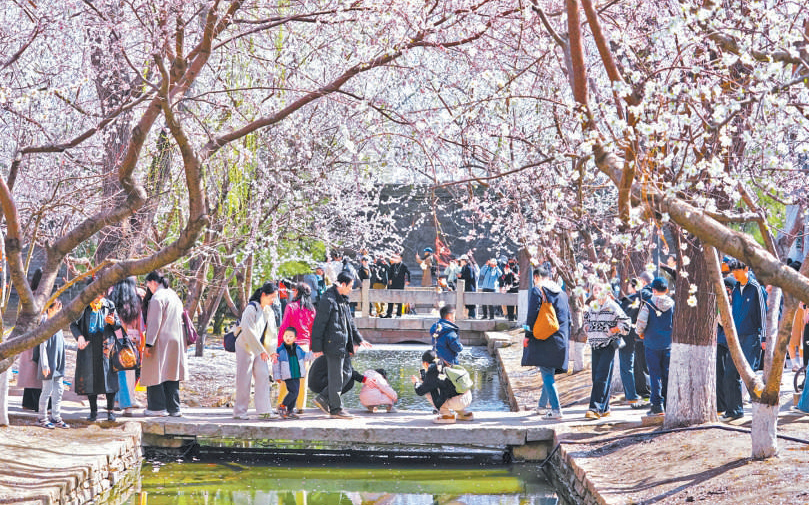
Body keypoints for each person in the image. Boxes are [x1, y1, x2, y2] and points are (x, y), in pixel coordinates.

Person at [311, 271, 372, 419]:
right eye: (350, 286)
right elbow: (319, 324)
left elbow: (350, 323)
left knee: (347, 373)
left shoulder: (343, 299)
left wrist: (359, 339)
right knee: (337, 377)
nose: (351, 289)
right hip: (333, 344)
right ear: (342, 284)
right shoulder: (328, 299)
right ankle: (336, 409)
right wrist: (317, 347)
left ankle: (323, 398)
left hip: (343, 343)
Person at [522, 266, 571, 420]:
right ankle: (542, 406)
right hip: (561, 339)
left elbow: (531, 315)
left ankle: (556, 409)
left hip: (545, 339)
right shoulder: (562, 293)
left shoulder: (538, 291)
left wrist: (527, 334)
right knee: (548, 372)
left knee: (547, 374)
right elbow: (568, 319)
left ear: (536, 277)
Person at [722, 260, 767, 421]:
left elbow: (764, 313)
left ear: (746, 269)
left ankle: (763, 410)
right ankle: (734, 411)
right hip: (736, 339)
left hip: (752, 337)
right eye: (733, 271)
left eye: (737, 270)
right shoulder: (734, 289)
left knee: (749, 377)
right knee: (729, 375)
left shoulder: (755, 288)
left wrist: (764, 337)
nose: (734, 273)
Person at [71, 283, 122, 422]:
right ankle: (93, 411)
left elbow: (118, 324)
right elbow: (73, 324)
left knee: (109, 380)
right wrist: (79, 337)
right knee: (90, 380)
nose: (99, 297)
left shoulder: (109, 305)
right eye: (96, 294)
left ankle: (110, 411)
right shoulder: (83, 307)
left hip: (106, 347)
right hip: (89, 347)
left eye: (101, 294)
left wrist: (113, 322)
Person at [142, 271, 188, 418]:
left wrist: (148, 344)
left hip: (160, 339)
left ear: (153, 282)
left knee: (155, 372)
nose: (148, 288)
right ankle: (174, 408)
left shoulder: (157, 298)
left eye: (148, 284)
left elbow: (154, 323)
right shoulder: (174, 295)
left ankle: (157, 407)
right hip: (176, 339)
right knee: (172, 374)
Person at [583, 283, 630, 419]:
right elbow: (586, 320)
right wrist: (587, 328)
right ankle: (605, 408)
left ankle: (595, 408)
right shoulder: (592, 306)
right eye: (594, 289)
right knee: (597, 377)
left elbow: (626, 323)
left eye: (600, 289)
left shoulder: (612, 306)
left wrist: (612, 330)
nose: (597, 291)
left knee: (601, 376)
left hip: (608, 344)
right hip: (594, 345)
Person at [233, 281, 278, 420]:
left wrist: (271, 351)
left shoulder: (269, 311)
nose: (273, 300)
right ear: (263, 295)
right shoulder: (251, 308)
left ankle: (264, 411)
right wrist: (260, 350)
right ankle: (240, 412)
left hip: (260, 348)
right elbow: (248, 331)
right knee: (244, 379)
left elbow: (272, 333)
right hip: (245, 346)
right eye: (272, 297)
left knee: (263, 375)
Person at [636, 277, 675, 416]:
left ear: (653, 290)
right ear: (666, 290)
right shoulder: (672, 304)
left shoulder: (649, 304)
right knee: (667, 375)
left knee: (654, 375)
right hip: (668, 345)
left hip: (652, 344)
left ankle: (657, 405)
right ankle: (668, 403)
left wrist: (640, 333)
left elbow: (641, 323)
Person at [276, 283, 316, 414]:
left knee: (286, 377)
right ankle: (300, 407)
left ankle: (282, 403)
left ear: (297, 292)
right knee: (303, 378)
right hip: (304, 346)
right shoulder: (311, 310)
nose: (292, 292)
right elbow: (312, 331)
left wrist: (279, 345)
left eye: (294, 290)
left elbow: (284, 327)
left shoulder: (291, 306)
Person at [108, 277, 143, 417]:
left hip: (117, 338)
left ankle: (122, 403)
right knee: (130, 371)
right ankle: (126, 401)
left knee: (117, 371)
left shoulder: (112, 298)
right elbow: (140, 323)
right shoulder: (136, 299)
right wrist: (140, 339)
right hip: (132, 340)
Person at [411, 349, 473, 424]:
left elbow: (420, 391)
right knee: (449, 390)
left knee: (429, 393)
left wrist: (416, 382)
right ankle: (464, 414)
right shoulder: (445, 364)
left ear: (425, 363)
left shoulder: (433, 370)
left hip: (457, 402)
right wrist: (425, 380)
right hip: (467, 397)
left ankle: (447, 416)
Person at [36, 300, 69, 429]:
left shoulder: (58, 324)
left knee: (58, 391)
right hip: (48, 366)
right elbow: (42, 346)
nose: (59, 311)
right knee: (47, 391)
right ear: (50, 309)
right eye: (57, 308)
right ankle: (42, 418)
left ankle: (56, 417)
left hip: (59, 365)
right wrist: (44, 365)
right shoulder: (45, 324)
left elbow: (63, 343)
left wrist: (78, 347)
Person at [273, 327, 315, 419]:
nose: (288, 338)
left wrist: (314, 354)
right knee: (294, 392)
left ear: (295, 338)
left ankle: (290, 411)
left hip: (297, 374)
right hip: (287, 375)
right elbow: (276, 365)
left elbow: (305, 357)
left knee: (295, 392)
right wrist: (277, 376)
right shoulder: (280, 350)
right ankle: (282, 406)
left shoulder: (298, 349)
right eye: (286, 336)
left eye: (291, 336)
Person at [618, 279, 646, 410]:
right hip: (638, 336)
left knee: (626, 366)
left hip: (626, 336)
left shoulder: (631, 300)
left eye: (629, 285)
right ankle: (636, 393)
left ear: (633, 286)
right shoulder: (644, 297)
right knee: (634, 366)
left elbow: (623, 316)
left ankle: (631, 395)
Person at [716, 276, 737, 416]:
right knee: (722, 374)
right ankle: (722, 405)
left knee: (727, 375)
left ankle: (727, 405)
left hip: (727, 341)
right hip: (724, 341)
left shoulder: (733, 300)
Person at [386, 253, 410, 318]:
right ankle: (389, 313)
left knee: (399, 299)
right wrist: (389, 279)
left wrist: (408, 281)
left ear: (401, 258)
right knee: (391, 299)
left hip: (400, 284)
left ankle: (398, 314)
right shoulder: (393, 265)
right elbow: (389, 273)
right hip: (393, 284)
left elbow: (408, 273)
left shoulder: (403, 266)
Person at [459, 254, 477, 318]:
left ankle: (472, 315)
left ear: (465, 261)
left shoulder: (469, 267)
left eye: (461, 260)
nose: (460, 262)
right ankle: (468, 315)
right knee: (467, 302)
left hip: (470, 287)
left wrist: (461, 276)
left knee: (470, 302)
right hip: (466, 286)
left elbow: (469, 277)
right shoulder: (464, 267)